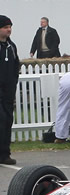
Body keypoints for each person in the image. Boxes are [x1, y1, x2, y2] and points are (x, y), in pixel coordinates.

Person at [0, 15, 19, 165]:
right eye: (6, 27)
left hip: (8, 91)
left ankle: (4, 154)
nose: (9, 30)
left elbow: (15, 67)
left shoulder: (11, 47)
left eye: (10, 27)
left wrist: (13, 87)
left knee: (7, 121)